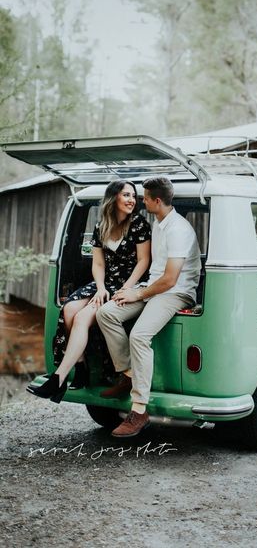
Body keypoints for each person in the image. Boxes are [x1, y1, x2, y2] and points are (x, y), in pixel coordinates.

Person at [27, 180, 151, 403]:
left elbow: (144, 261)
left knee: (83, 316)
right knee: (69, 310)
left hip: (130, 283)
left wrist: (126, 287)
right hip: (106, 282)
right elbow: (98, 264)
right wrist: (101, 288)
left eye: (133, 195)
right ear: (113, 198)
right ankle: (81, 368)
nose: (132, 199)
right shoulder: (101, 225)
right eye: (126, 195)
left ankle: (58, 379)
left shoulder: (139, 224)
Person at [96, 176, 201, 438]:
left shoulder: (179, 229)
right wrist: (134, 291)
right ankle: (129, 373)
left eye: (144, 197)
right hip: (153, 287)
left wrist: (137, 293)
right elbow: (155, 272)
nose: (141, 201)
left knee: (140, 336)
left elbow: (170, 279)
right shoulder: (158, 222)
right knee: (106, 313)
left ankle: (140, 409)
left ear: (156, 200)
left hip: (176, 292)